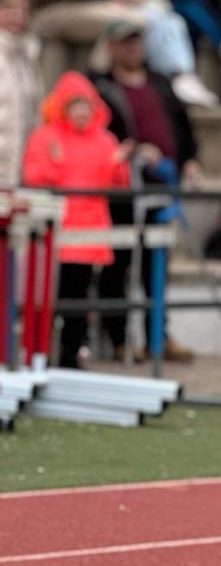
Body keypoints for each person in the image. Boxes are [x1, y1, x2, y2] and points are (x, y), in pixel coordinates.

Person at [90, 19, 202, 363]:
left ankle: (159, 336)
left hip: (161, 187)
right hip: (122, 190)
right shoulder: (101, 87)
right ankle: (120, 339)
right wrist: (133, 152)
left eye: (137, 42)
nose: (133, 48)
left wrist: (190, 160)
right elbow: (98, 134)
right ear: (111, 46)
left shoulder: (160, 82)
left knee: (157, 265)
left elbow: (183, 126)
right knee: (118, 264)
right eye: (125, 42)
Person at [21, 72, 130, 366]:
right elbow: (34, 177)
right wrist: (55, 166)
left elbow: (117, 184)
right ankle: (37, 351)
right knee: (43, 294)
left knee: (78, 295)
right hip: (52, 231)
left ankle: (71, 353)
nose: (82, 113)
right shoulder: (46, 136)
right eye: (75, 105)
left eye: (86, 106)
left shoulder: (104, 140)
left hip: (89, 232)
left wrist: (119, 166)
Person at [0, 0, 43, 191]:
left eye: (22, 10)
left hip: (20, 166)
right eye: (8, 8)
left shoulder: (30, 54)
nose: (16, 15)